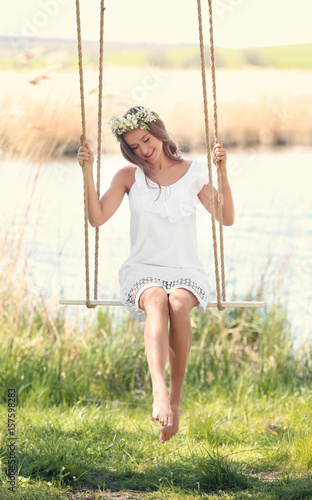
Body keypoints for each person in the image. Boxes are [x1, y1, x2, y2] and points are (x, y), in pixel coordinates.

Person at [77, 106, 235, 444]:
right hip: (143, 268)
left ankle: (175, 400)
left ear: (159, 133)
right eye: (134, 146)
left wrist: (222, 173)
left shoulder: (193, 173)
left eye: (146, 140)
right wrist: (87, 171)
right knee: (155, 300)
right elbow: (97, 217)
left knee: (177, 303)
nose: (143, 150)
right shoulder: (128, 177)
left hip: (185, 268)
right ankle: (159, 391)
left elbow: (226, 218)